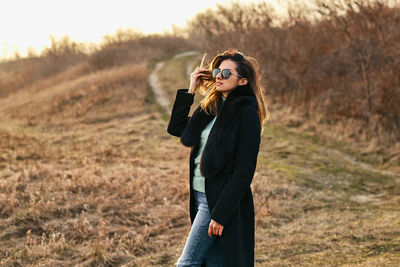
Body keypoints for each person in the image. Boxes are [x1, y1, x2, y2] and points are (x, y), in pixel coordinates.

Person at [167, 49, 270, 267]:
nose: (218, 77)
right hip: (198, 195)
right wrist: (191, 88)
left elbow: (244, 171)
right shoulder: (211, 107)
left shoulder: (246, 113)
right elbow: (177, 128)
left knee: (187, 263)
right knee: (214, 263)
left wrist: (220, 215)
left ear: (242, 81)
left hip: (217, 201)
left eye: (225, 73)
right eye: (217, 71)